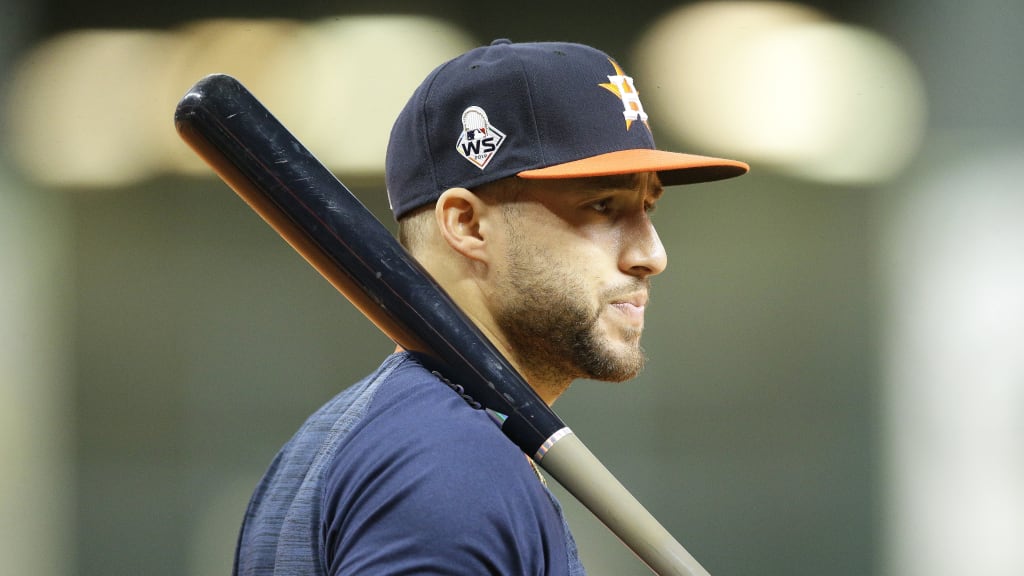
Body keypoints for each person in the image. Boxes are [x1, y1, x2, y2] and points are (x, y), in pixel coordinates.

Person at [232, 39, 748, 575]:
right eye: (601, 206)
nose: (652, 255)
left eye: (647, 207)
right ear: (467, 224)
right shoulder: (447, 465)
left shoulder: (345, 440)